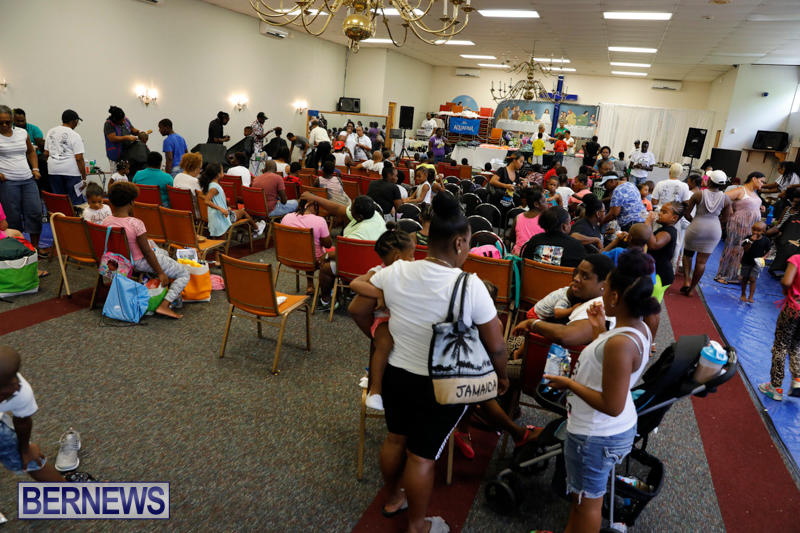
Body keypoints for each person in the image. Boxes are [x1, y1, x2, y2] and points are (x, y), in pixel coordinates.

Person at [348, 192, 507, 533]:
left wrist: (378, 338)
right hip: (441, 385)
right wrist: (502, 377)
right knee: (421, 457)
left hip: (396, 374)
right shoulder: (470, 286)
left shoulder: (396, 271)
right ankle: (417, 526)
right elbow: (496, 347)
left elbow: (359, 304)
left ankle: (393, 498)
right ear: (459, 242)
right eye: (467, 244)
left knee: (395, 439)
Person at [544, 250, 656, 533]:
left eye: (606, 290)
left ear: (615, 297)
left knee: (587, 505)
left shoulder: (621, 343)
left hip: (596, 433)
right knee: (581, 500)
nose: (602, 295)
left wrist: (570, 384)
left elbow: (611, 404)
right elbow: (611, 371)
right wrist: (597, 331)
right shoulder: (639, 329)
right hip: (608, 430)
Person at [0, 346, 95, 483]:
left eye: (14, 381)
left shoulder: (20, 392)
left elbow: (22, 421)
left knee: (30, 460)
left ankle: (67, 491)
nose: (15, 388)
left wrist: (25, 449)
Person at [350, 227, 416, 411]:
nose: (414, 259)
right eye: (411, 256)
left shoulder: (411, 271)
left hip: (405, 318)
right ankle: (376, 390)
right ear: (397, 258)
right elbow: (355, 284)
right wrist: (379, 292)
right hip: (384, 321)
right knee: (384, 344)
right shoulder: (379, 271)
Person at [103, 182, 190, 318]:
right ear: (131, 202)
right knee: (184, 273)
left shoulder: (106, 221)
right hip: (139, 262)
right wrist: (160, 273)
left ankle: (154, 284)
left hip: (121, 261)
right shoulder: (136, 223)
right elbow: (147, 253)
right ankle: (164, 305)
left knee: (161, 252)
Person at [301, 193, 387, 310]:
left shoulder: (357, 235)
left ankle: (326, 301)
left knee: (326, 267)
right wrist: (316, 198)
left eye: (351, 209)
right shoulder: (374, 215)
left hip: (361, 268)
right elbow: (338, 209)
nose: (349, 210)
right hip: (375, 264)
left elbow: (341, 255)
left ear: (359, 217)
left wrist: (326, 256)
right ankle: (349, 290)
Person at [681, 170, 732, 296]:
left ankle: (686, 280)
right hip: (713, 230)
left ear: (709, 181)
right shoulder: (726, 198)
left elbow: (686, 214)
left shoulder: (698, 194)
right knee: (702, 262)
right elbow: (725, 219)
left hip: (696, 227)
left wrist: (694, 222)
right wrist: (715, 224)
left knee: (687, 255)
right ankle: (692, 289)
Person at [0, 106, 43, 252]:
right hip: (8, 182)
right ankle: (17, 250)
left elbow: (31, 151)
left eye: (7, 122)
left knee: (35, 212)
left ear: (12, 120)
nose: (4, 125)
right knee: (12, 216)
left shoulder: (22, 133)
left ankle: (35, 248)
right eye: (1, 123)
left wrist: (35, 169)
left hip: (27, 179)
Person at [759, 253, 800, 401]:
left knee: (781, 345)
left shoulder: (797, 259)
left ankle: (775, 387)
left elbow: (787, 281)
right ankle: (797, 380)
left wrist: (785, 289)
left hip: (794, 308)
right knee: (796, 345)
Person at [714, 171, 765, 283]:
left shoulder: (754, 193)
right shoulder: (741, 190)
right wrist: (730, 209)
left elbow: (749, 206)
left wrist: (760, 208)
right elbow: (723, 198)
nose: (763, 184)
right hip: (738, 225)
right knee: (732, 249)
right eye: (762, 181)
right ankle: (723, 275)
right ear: (754, 179)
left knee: (742, 251)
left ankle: (734, 275)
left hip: (750, 227)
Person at [199, 163, 265, 240]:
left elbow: (201, 195)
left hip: (218, 215)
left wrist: (218, 202)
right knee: (243, 212)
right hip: (223, 217)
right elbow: (207, 201)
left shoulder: (210, 184)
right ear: (218, 174)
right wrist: (221, 209)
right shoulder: (214, 187)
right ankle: (257, 228)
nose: (223, 173)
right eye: (222, 171)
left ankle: (254, 229)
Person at [280, 198, 332, 294]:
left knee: (307, 249)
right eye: (316, 206)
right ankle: (327, 289)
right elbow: (328, 244)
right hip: (313, 260)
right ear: (309, 204)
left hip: (288, 257)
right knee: (332, 253)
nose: (317, 210)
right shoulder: (319, 221)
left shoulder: (286, 217)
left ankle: (310, 285)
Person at [44, 109, 87, 205]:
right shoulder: (75, 135)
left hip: (53, 171)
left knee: (59, 200)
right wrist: (84, 178)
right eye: (77, 122)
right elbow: (79, 158)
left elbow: (46, 153)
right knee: (75, 201)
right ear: (74, 121)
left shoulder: (51, 132)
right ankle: (74, 215)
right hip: (71, 172)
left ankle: (60, 215)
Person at [521, 207, 586, 267]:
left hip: (533, 276)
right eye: (569, 223)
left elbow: (524, 264)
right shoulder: (576, 246)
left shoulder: (534, 241)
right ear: (564, 226)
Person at [646, 202, 683, 297]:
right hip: (657, 271)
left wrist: (648, 223)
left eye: (664, 212)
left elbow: (653, 245)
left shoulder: (668, 231)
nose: (660, 214)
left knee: (650, 303)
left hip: (660, 275)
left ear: (674, 218)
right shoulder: (665, 229)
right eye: (661, 211)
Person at [103, 106, 145, 173]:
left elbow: (132, 129)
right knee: (117, 175)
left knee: (128, 173)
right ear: (115, 120)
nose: (123, 121)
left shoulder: (126, 120)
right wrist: (127, 137)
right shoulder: (108, 124)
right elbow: (112, 138)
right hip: (116, 154)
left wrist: (139, 133)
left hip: (127, 153)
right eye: (121, 120)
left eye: (124, 119)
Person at [737, 221, 770, 303]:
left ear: (763, 231)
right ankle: (743, 294)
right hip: (746, 261)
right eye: (754, 230)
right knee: (744, 278)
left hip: (757, 263)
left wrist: (764, 257)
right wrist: (750, 241)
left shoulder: (766, 240)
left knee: (752, 279)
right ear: (751, 229)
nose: (755, 232)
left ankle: (751, 296)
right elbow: (745, 249)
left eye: (758, 231)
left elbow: (768, 251)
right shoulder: (747, 238)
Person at [512, 187, 547, 255]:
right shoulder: (545, 219)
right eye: (544, 201)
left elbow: (512, 238)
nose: (547, 204)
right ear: (536, 204)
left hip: (518, 255)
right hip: (535, 257)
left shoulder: (518, 217)